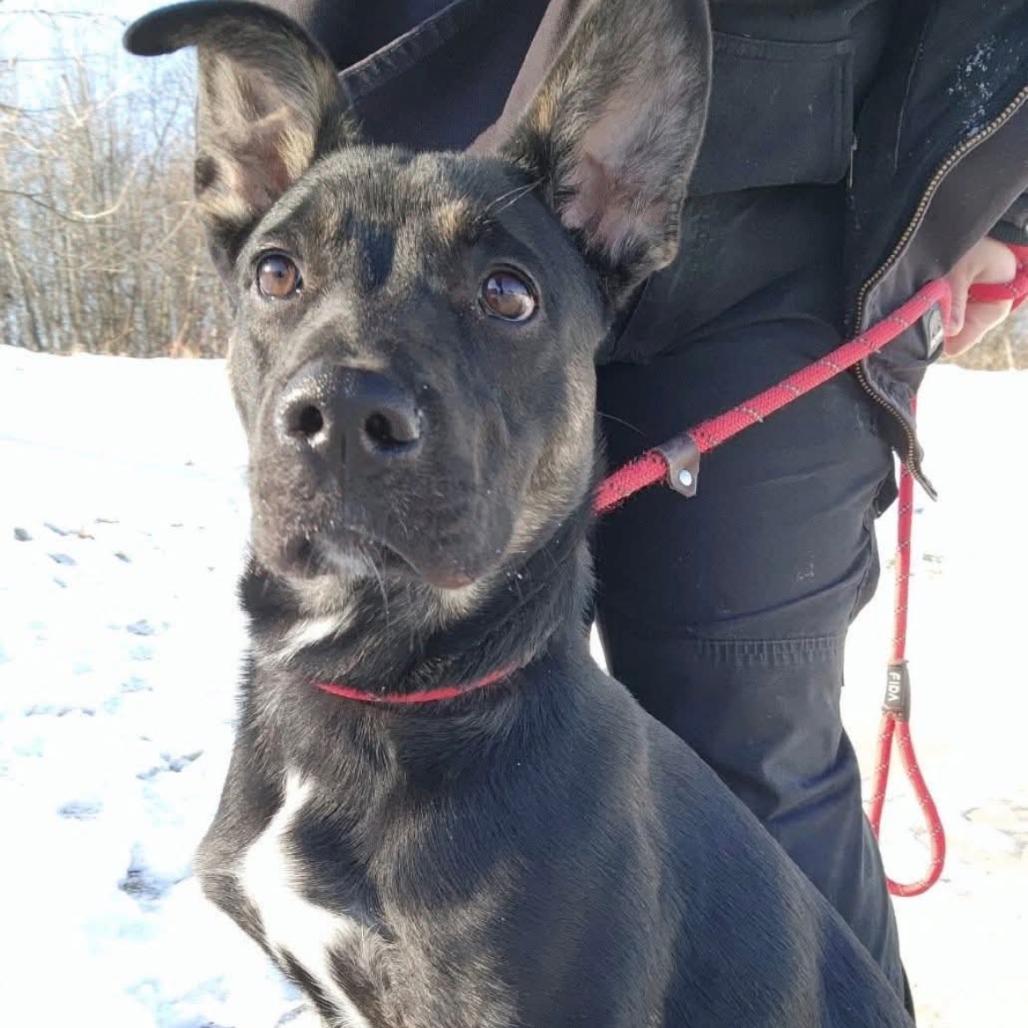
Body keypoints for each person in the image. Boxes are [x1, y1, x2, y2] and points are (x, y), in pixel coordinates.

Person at [259, 0, 1028, 1009]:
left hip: (802, 222)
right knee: (428, 722)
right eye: (276, 272)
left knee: (752, 748)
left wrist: (995, 204)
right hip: (424, 99)